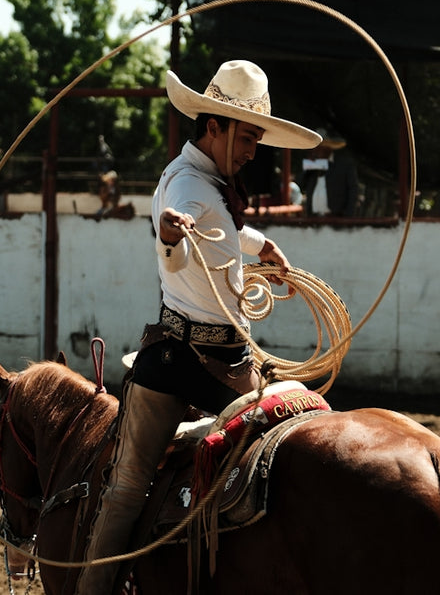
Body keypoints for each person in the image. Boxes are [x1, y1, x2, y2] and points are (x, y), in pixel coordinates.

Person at [75, 60, 321, 594]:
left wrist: (260, 244)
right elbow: (180, 246)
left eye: (256, 139)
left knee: (134, 487)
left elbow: (218, 228)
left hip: (212, 358)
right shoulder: (188, 186)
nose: (253, 150)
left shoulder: (203, 180)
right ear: (215, 127)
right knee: (128, 487)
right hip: (190, 363)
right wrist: (169, 238)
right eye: (248, 137)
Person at [300, 129, 360, 217]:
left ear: (328, 148)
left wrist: (348, 216)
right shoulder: (312, 166)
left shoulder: (344, 164)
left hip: (336, 217)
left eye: (319, 147)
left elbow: (353, 190)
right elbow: (301, 185)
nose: (315, 151)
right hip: (314, 218)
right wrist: (308, 168)